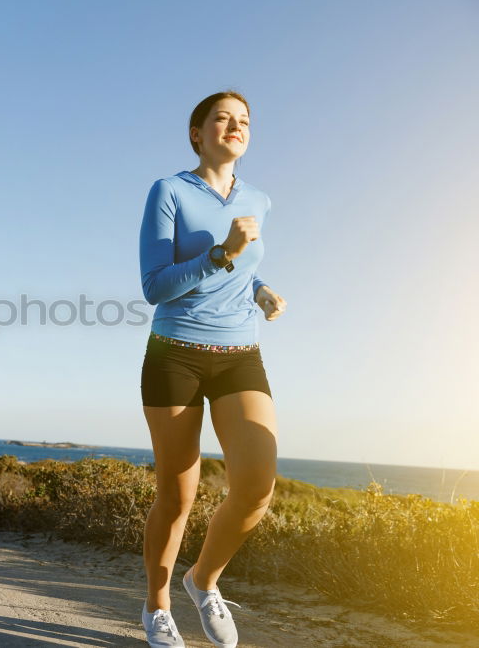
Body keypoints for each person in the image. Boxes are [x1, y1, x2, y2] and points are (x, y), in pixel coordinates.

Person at [137, 91, 287, 647]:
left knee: (255, 486)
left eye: (244, 120)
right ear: (196, 132)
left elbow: (241, 270)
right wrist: (222, 253)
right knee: (178, 495)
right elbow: (155, 287)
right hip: (175, 353)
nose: (235, 126)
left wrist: (261, 288)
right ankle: (156, 608)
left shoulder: (260, 199)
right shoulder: (170, 191)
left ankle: (203, 581)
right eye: (222, 118)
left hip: (239, 356)